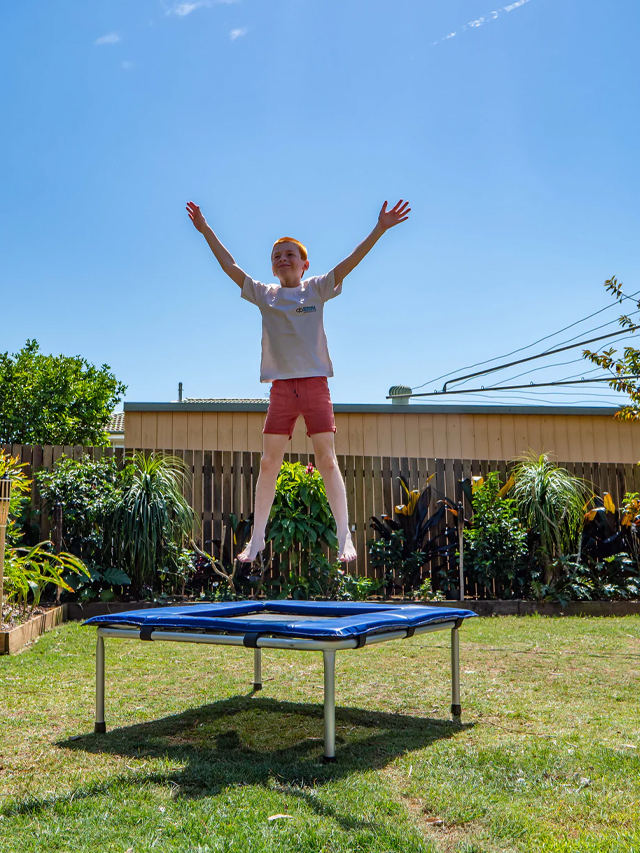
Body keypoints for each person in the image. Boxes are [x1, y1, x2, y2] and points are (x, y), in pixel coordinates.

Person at [186, 199, 411, 562]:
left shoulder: (317, 289)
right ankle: (257, 539)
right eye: (276, 256)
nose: (282, 259)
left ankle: (344, 537)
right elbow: (230, 266)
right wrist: (205, 229)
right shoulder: (266, 295)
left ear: (304, 264)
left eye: (290, 254)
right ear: (272, 267)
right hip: (281, 389)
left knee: (327, 459)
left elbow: (350, 262)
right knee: (268, 463)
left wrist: (380, 228)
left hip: (314, 385)